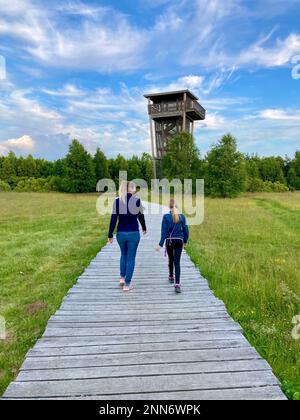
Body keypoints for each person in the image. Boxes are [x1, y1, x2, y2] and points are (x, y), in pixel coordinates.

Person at [108, 181, 147, 292]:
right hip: (133, 233)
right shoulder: (136, 200)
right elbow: (141, 216)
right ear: (131, 189)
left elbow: (113, 218)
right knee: (131, 257)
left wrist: (110, 234)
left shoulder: (117, 201)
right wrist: (144, 227)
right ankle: (127, 284)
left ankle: (122, 277)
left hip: (121, 233)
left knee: (123, 254)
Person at [155, 199, 189, 293]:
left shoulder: (166, 217)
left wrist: (160, 244)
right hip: (179, 241)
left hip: (169, 241)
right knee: (177, 262)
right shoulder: (182, 217)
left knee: (171, 259)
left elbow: (164, 232)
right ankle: (177, 284)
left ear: (169, 207)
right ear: (177, 206)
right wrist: (185, 241)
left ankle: (171, 276)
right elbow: (186, 230)